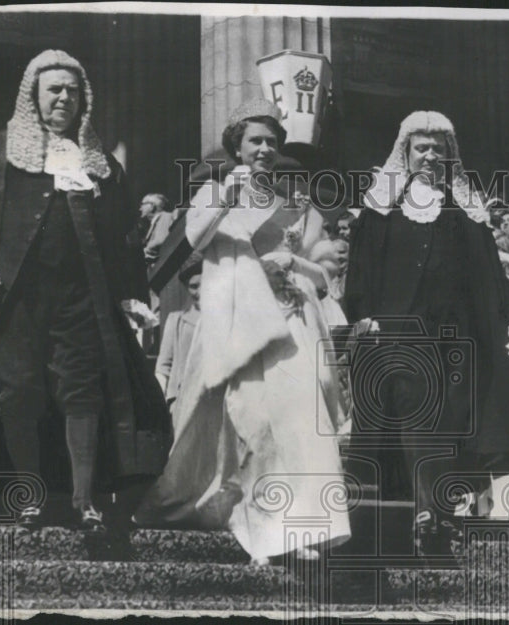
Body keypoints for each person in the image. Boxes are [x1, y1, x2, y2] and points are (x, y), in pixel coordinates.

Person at [0, 50, 167, 532]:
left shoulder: (101, 165)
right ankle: (30, 496)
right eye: (54, 89)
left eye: (73, 91)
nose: (64, 97)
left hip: (83, 300)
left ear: (85, 101)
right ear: (33, 96)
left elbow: (125, 236)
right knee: (17, 393)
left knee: (82, 392)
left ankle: (84, 499)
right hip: (13, 299)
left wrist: (130, 292)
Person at [134, 98, 350, 564]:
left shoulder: (296, 207)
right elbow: (192, 241)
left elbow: (327, 267)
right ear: (237, 145)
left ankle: (300, 524)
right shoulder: (214, 193)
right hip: (237, 322)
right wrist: (228, 197)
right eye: (256, 140)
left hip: (291, 321)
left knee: (302, 421)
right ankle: (256, 526)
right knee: (251, 423)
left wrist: (296, 262)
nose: (266, 149)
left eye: (273, 141)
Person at [346, 110, 509, 553]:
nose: (430, 156)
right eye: (421, 148)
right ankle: (427, 508)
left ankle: (433, 510)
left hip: (453, 333)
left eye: (438, 148)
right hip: (395, 330)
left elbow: (489, 274)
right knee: (414, 407)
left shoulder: (464, 210)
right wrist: (362, 313)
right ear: (405, 153)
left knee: (444, 420)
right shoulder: (382, 207)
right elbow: (362, 267)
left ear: (450, 154)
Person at [154, 254, 202, 423]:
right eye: (194, 286)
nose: (200, 292)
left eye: (205, 285)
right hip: (183, 401)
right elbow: (163, 366)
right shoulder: (177, 320)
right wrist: (162, 402)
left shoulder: (223, 320)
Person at [140, 193, 177, 265]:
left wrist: (146, 249)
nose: (140, 208)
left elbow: (161, 239)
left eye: (142, 204)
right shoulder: (155, 222)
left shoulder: (164, 216)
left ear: (152, 206)